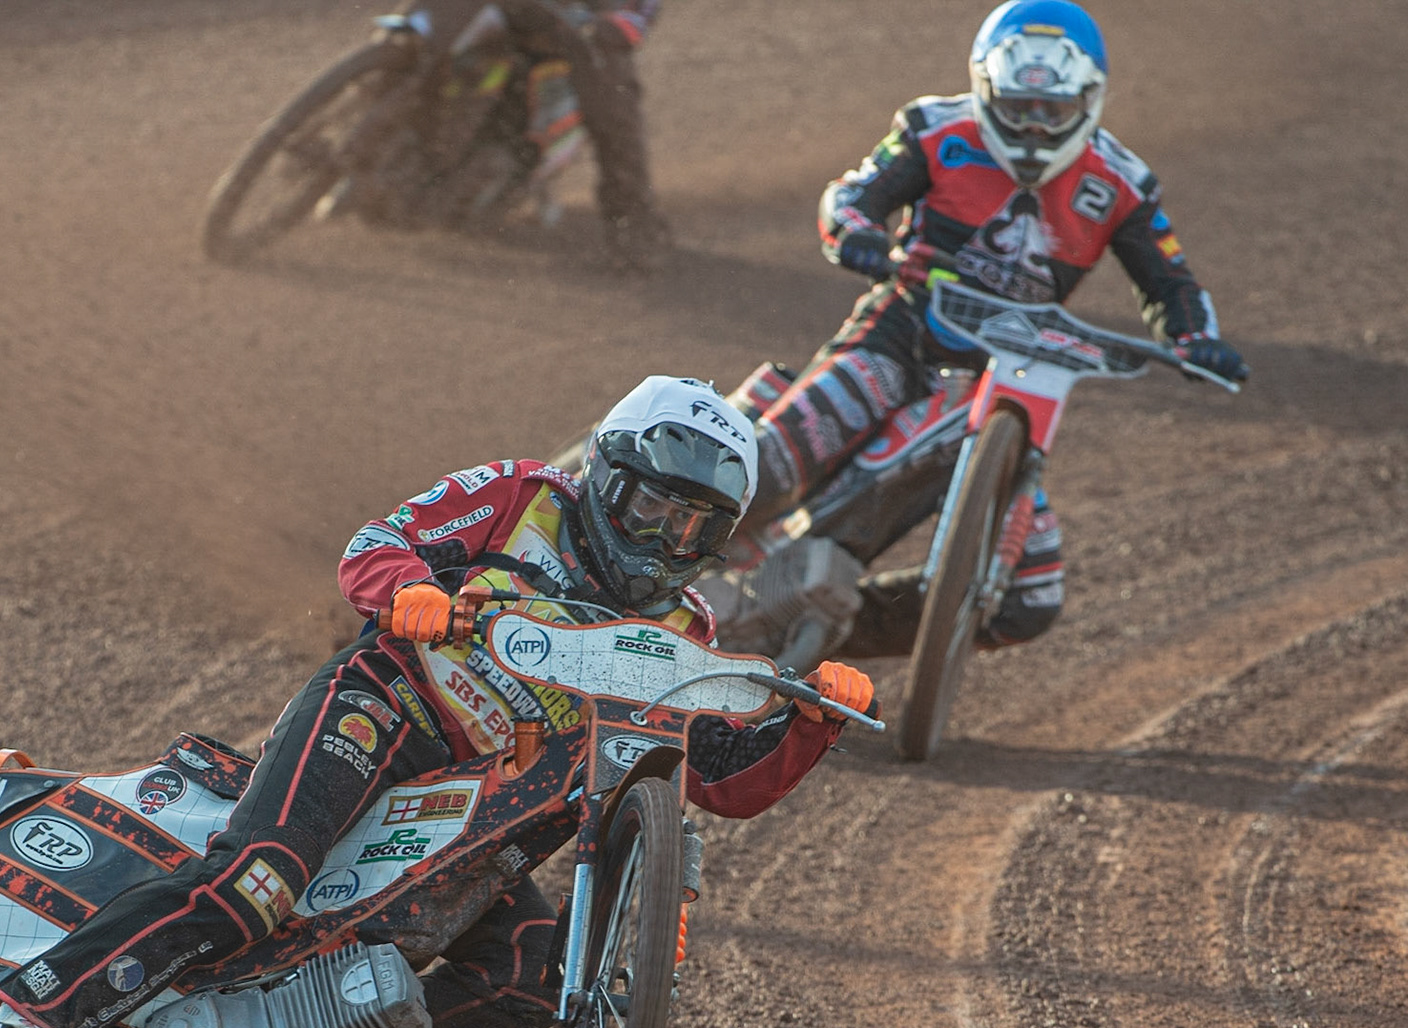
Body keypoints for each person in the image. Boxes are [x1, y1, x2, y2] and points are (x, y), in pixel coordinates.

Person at [0, 377, 874, 1028]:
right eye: (650, 509)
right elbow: (376, 541)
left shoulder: (688, 629)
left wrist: (812, 720)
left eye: (694, 525)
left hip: (488, 808)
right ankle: (30, 1013)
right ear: (605, 473)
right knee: (257, 881)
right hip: (386, 711)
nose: (666, 538)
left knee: (531, 970)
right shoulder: (520, 495)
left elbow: (722, 781)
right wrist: (409, 590)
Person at [723, 0, 1248, 656]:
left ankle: (797, 627)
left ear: (1089, 100)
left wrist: (1196, 336)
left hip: (1008, 382)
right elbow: (853, 195)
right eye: (1016, 108)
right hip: (901, 334)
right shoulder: (935, 129)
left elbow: (1172, 282)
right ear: (984, 88)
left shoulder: (1122, 182)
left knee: (1029, 597)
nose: (1032, 128)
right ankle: (615, 544)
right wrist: (856, 233)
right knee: (763, 474)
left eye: (1051, 111)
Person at [408, 0, 670, 270]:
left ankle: (634, 229)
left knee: (614, 101)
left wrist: (619, 24)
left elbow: (639, 13)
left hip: (574, 36)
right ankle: (397, 70)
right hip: (510, 10)